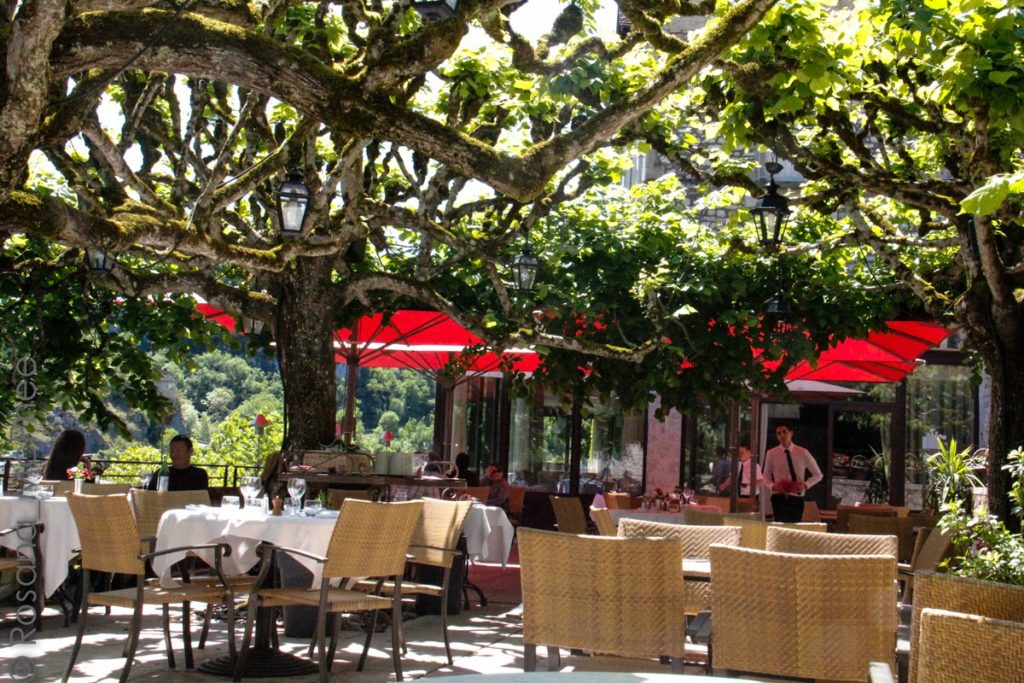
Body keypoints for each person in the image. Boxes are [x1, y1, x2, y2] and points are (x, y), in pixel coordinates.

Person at [762, 424, 822, 522]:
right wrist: (773, 486)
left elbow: (818, 474)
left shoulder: (802, 452)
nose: (782, 435)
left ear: (791, 433)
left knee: (794, 525)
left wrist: (805, 485)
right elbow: (765, 476)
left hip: (796, 496)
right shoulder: (772, 453)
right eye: (778, 433)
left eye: (784, 432)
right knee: (780, 525)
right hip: (779, 496)